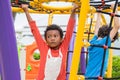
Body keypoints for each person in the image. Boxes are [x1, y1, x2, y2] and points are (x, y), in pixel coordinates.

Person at [21, 3, 79, 80]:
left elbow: (70, 29)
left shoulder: (63, 47)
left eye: (55, 36)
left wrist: (73, 11)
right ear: (46, 40)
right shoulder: (44, 48)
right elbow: (34, 30)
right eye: (49, 36)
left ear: (61, 39)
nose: (52, 38)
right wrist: (26, 11)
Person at [85, 4, 119, 78]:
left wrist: (99, 14)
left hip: (88, 76)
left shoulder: (93, 42)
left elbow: (96, 28)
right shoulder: (104, 42)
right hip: (96, 77)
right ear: (111, 38)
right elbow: (117, 26)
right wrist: (114, 10)